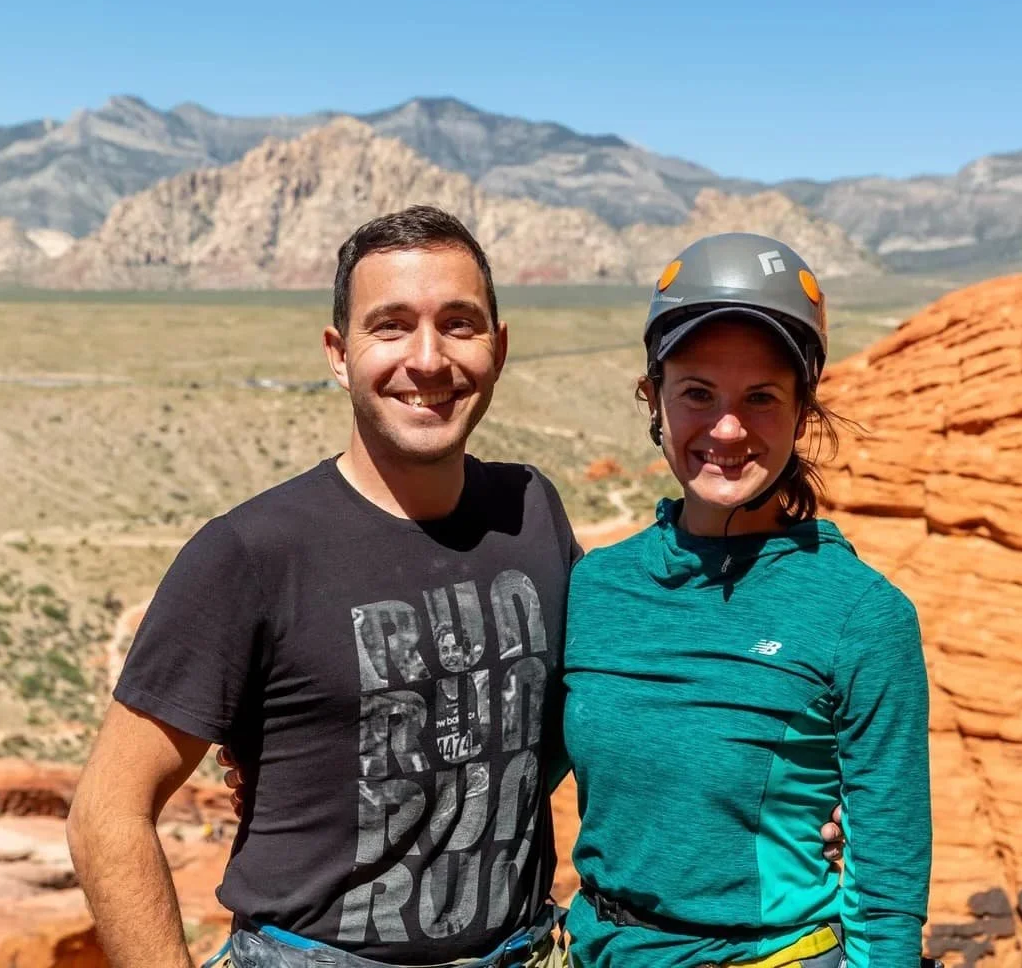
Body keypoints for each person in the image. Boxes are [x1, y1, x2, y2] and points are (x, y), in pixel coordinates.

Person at [70, 204, 850, 968]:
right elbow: (107, 814)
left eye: (458, 323)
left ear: (499, 347)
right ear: (338, 353)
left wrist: (781, 788)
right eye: (391, 325)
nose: (428, 359)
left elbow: (599, 701)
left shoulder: (531, 512)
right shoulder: (252, 553)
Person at [560, 233, 932, 968]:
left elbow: (886, 890)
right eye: (698, 392)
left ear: (802, 413)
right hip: (597, 952)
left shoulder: (857, 613)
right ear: (654, 398)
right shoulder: (598, 586)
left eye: (761, 398)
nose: (727, 429)